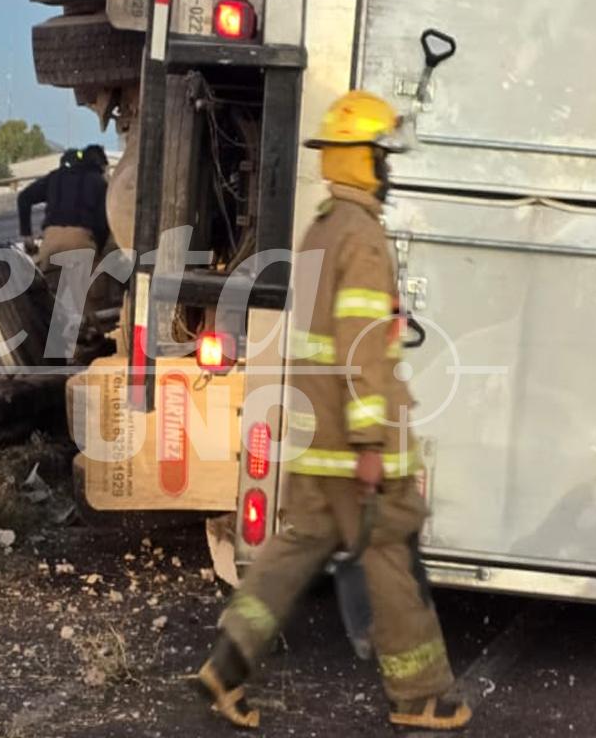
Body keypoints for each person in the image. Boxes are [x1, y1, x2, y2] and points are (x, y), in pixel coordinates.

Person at [196, 91, 472, 731]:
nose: (387, 168)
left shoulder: (320, 229)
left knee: (292, 553)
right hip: (352, 445)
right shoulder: (362, 237)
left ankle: (226, 664)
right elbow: (362, 345)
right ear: (358, 159)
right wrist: (372, 441)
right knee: (390, 555)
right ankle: (420, 696)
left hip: (316, 437)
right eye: (380, 156)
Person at [17, 144, 111, 279]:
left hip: (50, 245)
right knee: (104, 276)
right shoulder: (99, 182)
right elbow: (103, 225)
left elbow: (23, 198)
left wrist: (27, 237)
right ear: (102, 166)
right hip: (82, 244)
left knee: (45, 281)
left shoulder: (54, 177)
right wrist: (100, 249)